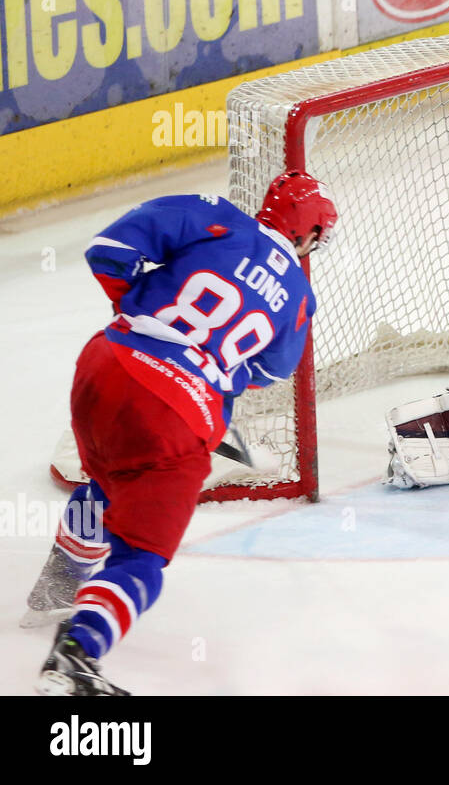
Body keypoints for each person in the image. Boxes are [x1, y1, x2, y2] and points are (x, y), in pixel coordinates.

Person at [26, 172, 337, 696]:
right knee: (139, 557)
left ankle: (60, 579)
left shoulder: (216, 214)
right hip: (177, 413)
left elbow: (109, 249)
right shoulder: (300, 298)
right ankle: (76, 653)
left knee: (114, 473)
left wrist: (140, 318)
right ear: (308, 237)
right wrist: (202, 371)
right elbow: (268, 373)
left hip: (107, 363)